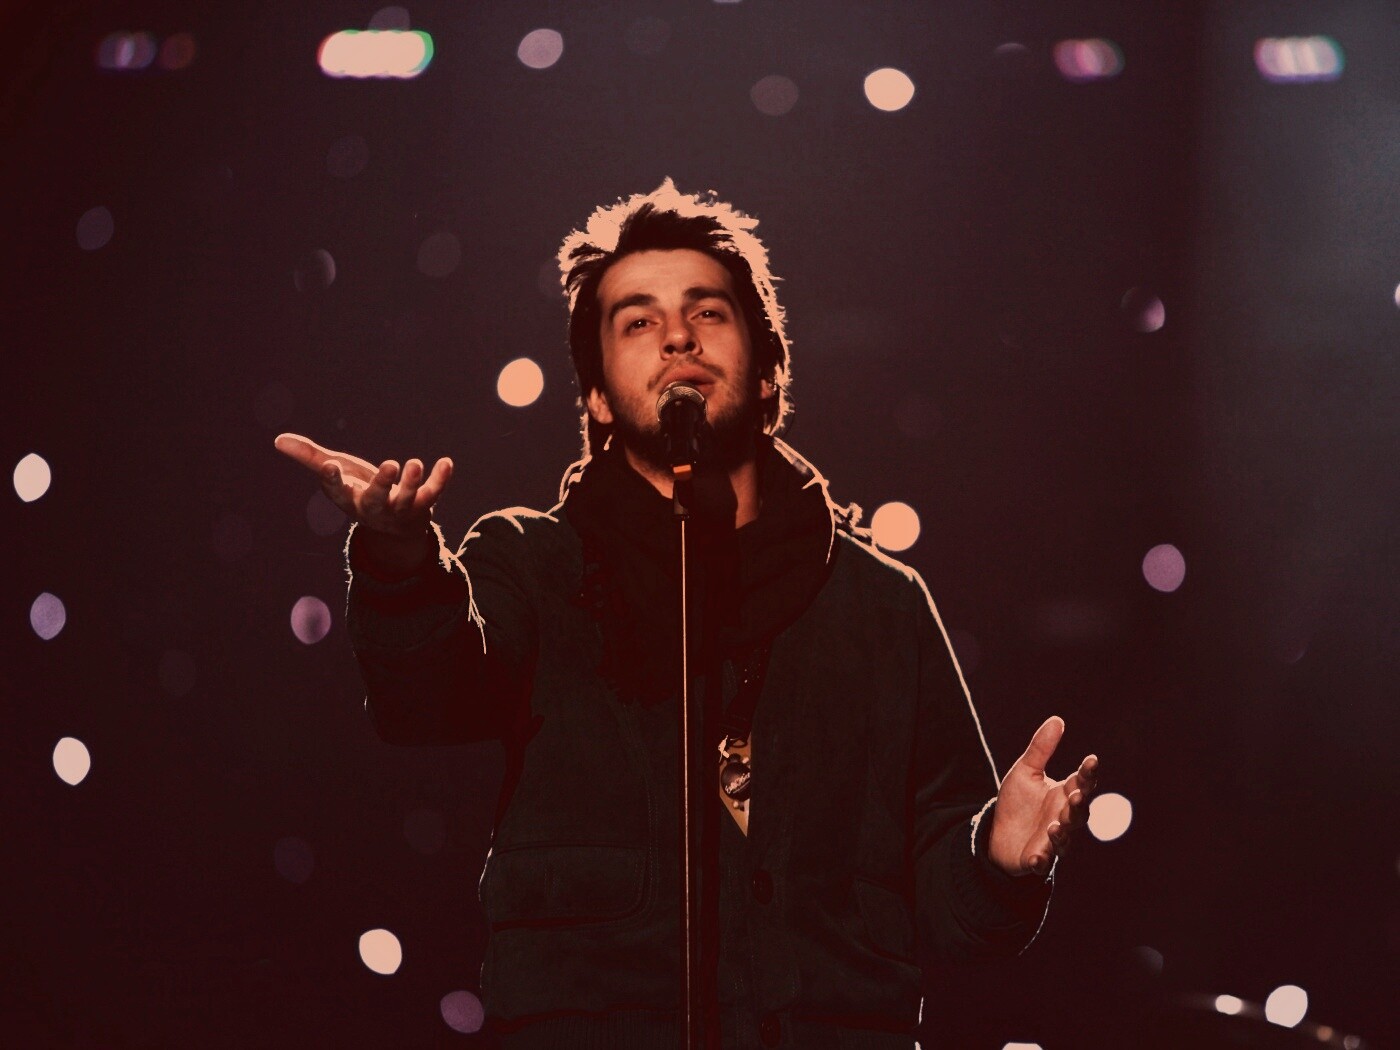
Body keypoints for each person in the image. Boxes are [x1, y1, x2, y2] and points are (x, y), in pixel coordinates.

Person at [275, 180, 1100, 1049]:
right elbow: (424, 703)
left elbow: (955, 914)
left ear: (768, 365)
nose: (678, 336)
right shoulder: (533, 564)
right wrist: (401, 560)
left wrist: (996, 860)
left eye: (707, 312)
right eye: (638, 321)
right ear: (597, 396)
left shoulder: (882, 606)